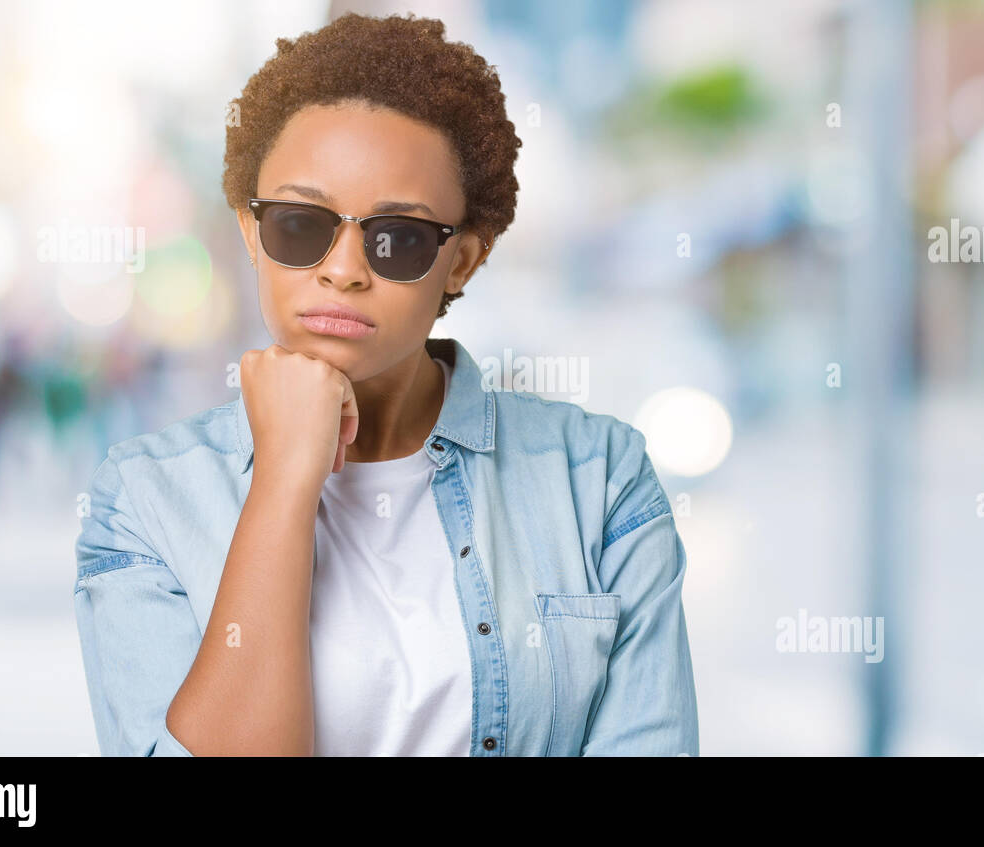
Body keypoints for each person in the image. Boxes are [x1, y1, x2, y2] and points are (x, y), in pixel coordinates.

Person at [73, 12, 698, 756]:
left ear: (462, 260)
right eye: (300, 225)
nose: (343, 269)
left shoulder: (599, 482)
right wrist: (283, 478)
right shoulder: (144, 502)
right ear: (250, 231)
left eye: (396, 237)